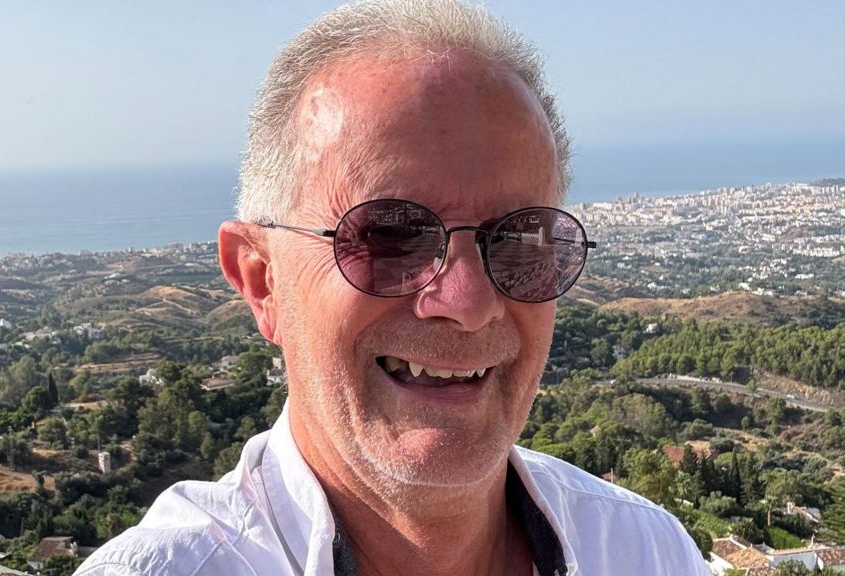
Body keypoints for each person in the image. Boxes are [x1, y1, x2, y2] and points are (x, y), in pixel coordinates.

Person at [77, 1, 712, 574]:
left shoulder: (644, 552)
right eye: (389, 236)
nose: (467, 303)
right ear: (262, 281)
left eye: (520, 239)